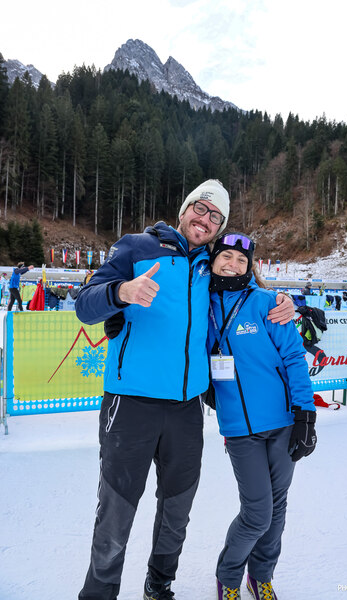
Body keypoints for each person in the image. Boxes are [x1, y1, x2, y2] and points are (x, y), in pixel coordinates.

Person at [75, 179, 295, 600]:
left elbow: (247, 290)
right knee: (117, 510)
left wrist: (287, 303)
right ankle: (99, 593)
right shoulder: (136, 247)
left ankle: (159, 584)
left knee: (177, 510)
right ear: (184, 209)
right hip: (131, 403)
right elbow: (86, 304)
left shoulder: (211, 265)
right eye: (200, 208)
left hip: (187, 408)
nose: (205, 219)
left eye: (216, 216)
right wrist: (121, 292)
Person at [207, 232, 316, 600]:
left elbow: (294, 359)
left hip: (283, 424)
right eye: (226, 256)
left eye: (242, 260)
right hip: (239, 429)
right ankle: (228, 577)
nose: (233, 264)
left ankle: (261, 575)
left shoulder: (267, 303)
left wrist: (306, 415)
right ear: (213, 260)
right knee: (257, 512)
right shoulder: (200, 306)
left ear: (250, 267)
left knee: (277, 506)